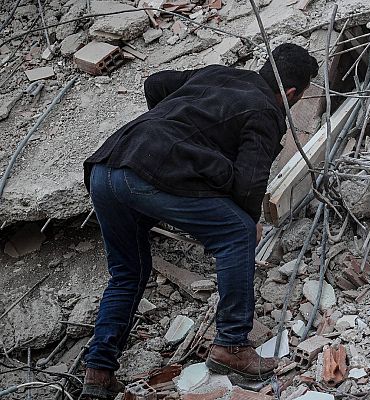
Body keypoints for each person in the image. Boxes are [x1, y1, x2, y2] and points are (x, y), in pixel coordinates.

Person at [79, 43, 319, 400]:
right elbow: (249, 182)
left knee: (128, 272)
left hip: (106, 166)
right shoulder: (267, 111)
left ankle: (98, 373)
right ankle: (232, 346)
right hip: (146, 176)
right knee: (237, 232)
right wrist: (248, 221)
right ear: (291, 93)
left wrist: (171, 132)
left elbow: (156, 83)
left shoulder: (217, 73)